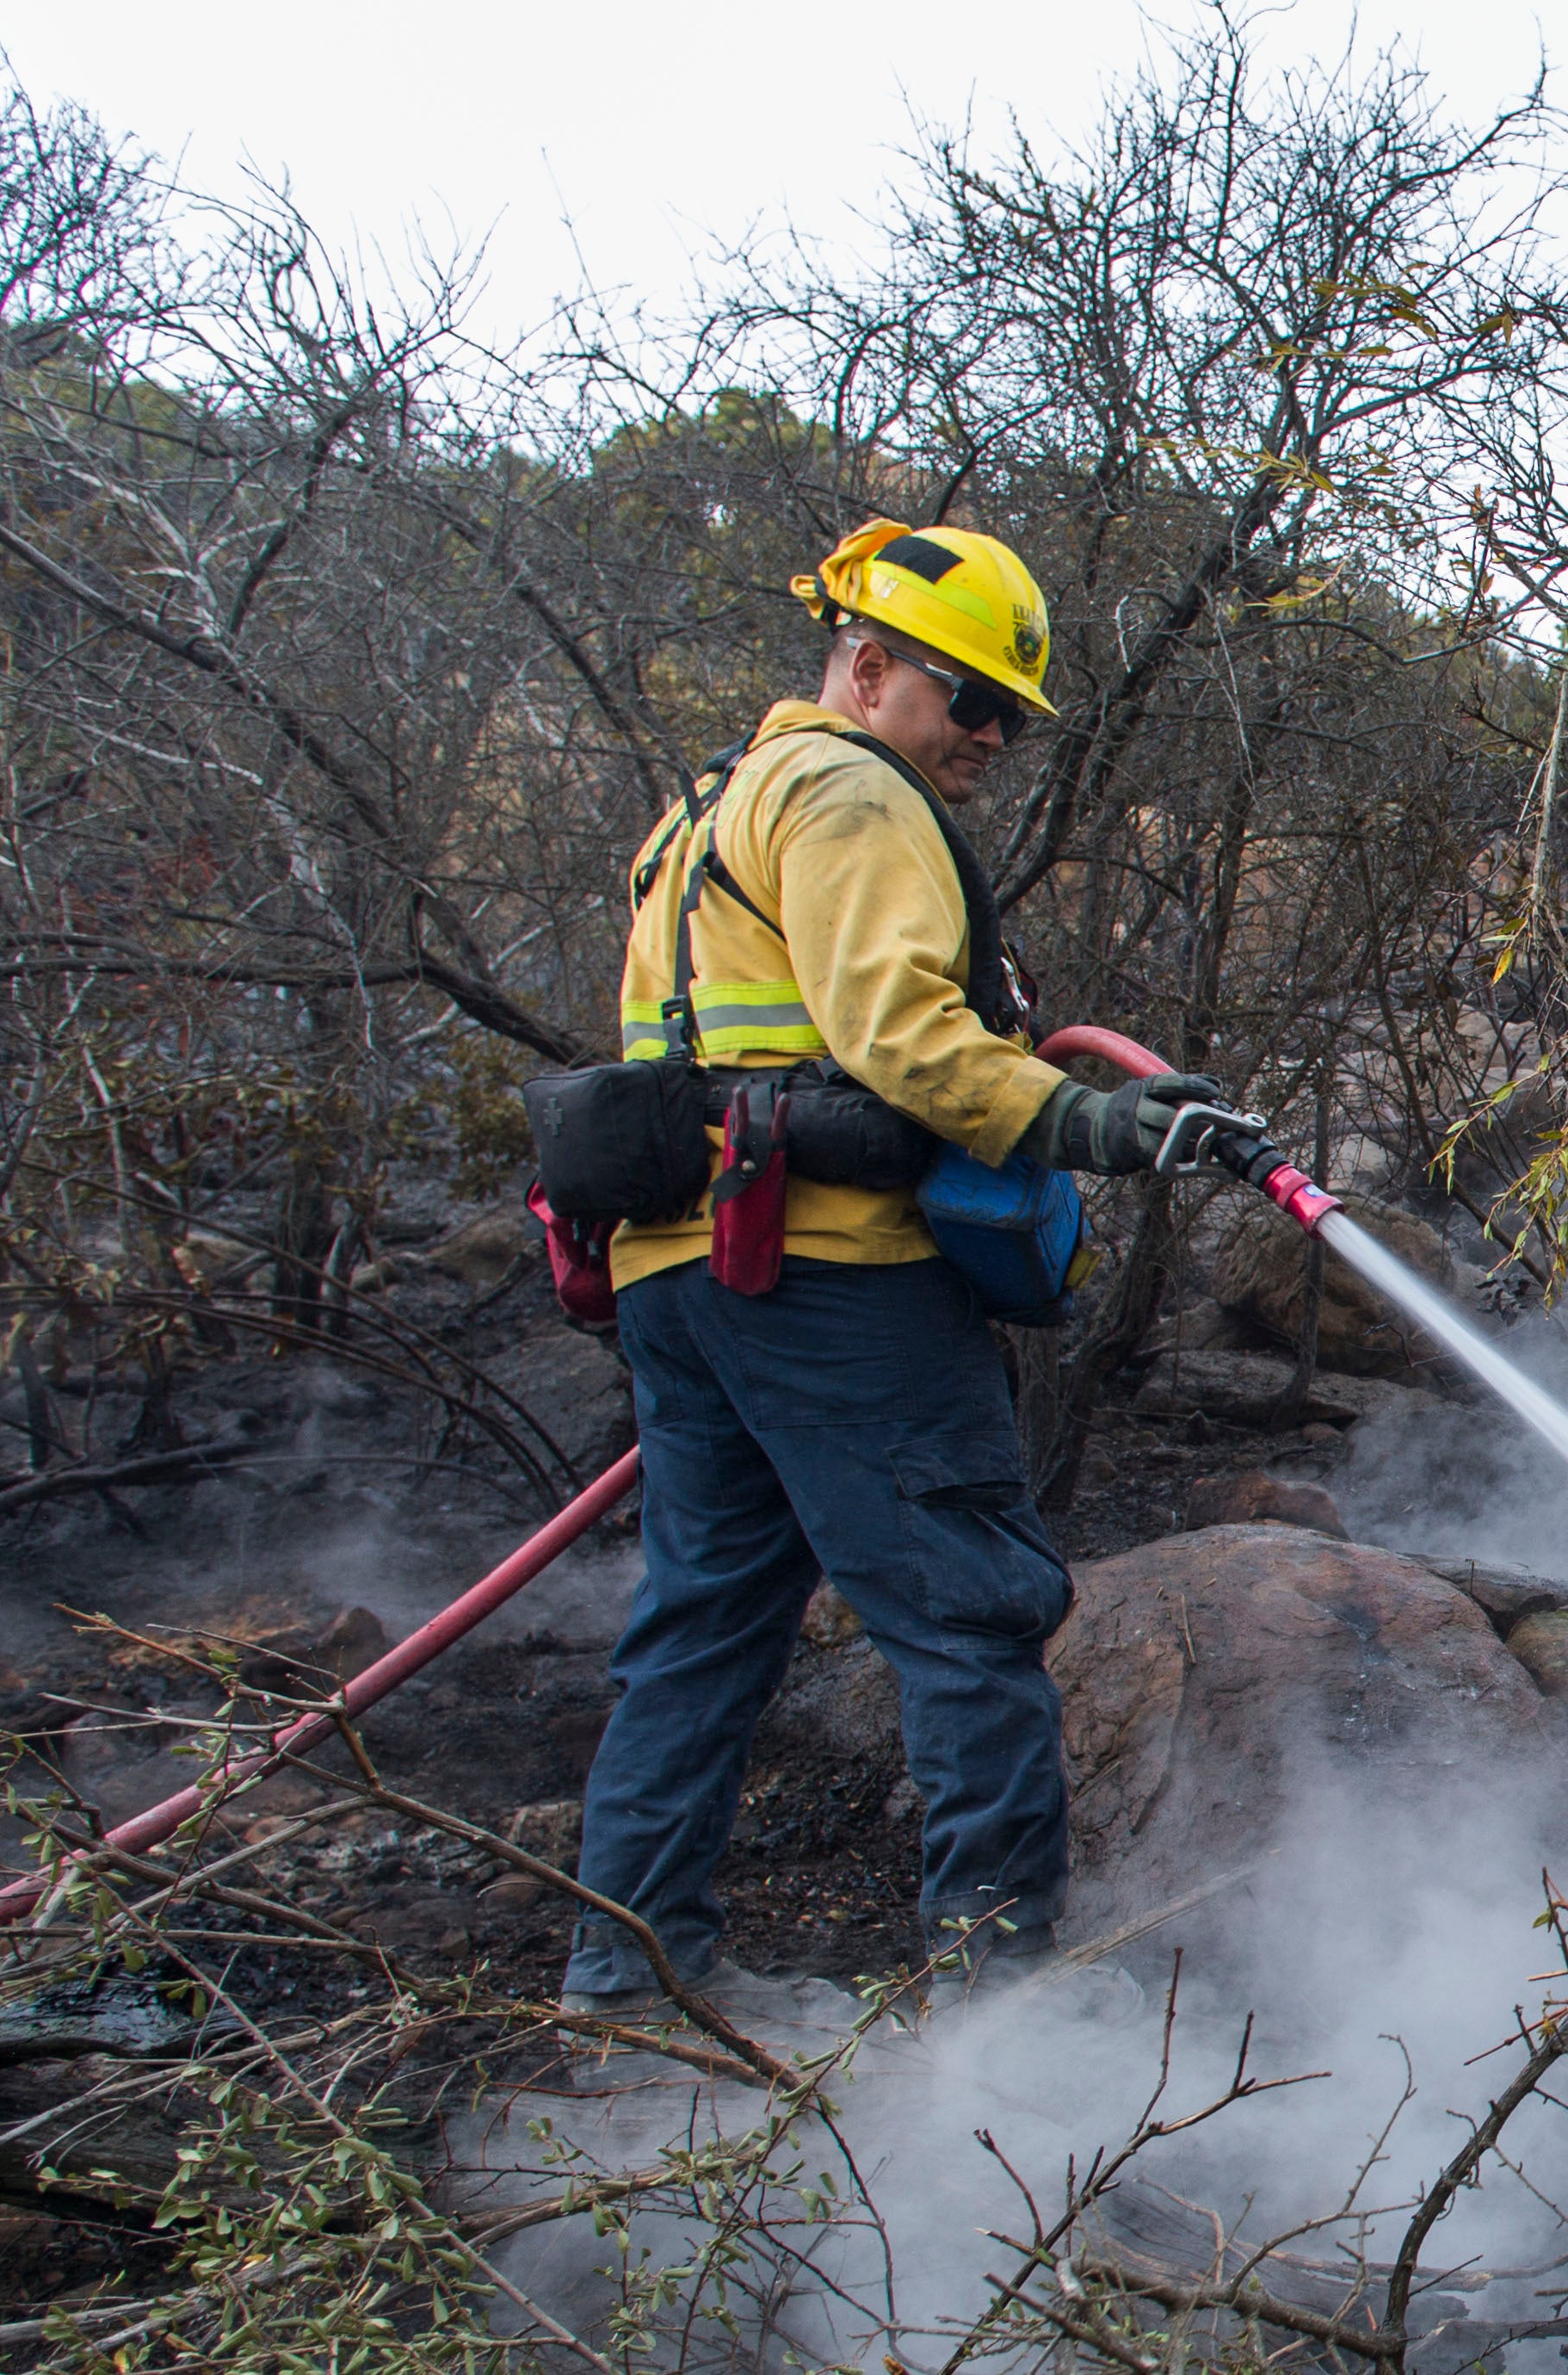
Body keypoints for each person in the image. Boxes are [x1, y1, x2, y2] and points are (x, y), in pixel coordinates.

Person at [560, 519, 1228, 2016]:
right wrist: (1091, 1123)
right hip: (835, 1280)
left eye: (1011, 715)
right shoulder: (850, 792)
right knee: (969, 1617)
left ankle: (626, 1981)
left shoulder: (705, 811)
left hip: (688, 1278)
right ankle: (1005, 2021)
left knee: (703, 1626)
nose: (993, 737)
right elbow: (899, 1034)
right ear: (868, 670)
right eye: (969, 700)